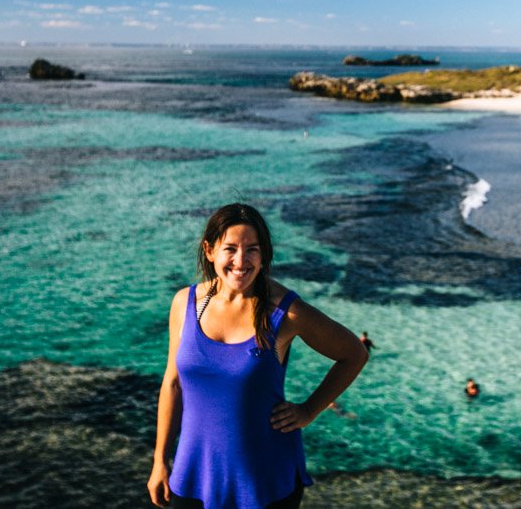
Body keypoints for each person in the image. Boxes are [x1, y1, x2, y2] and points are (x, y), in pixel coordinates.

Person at [148, 204, 369, 509]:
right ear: (210, 251)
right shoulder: (184, 303)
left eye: (252, 249)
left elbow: (353, 354)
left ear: (264, 254)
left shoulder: (286, 312)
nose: (241, 261)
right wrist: (160, 459)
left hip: (263, 481)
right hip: (193, 474)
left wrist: (309, 410)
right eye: (230, 249)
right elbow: (172, 385)